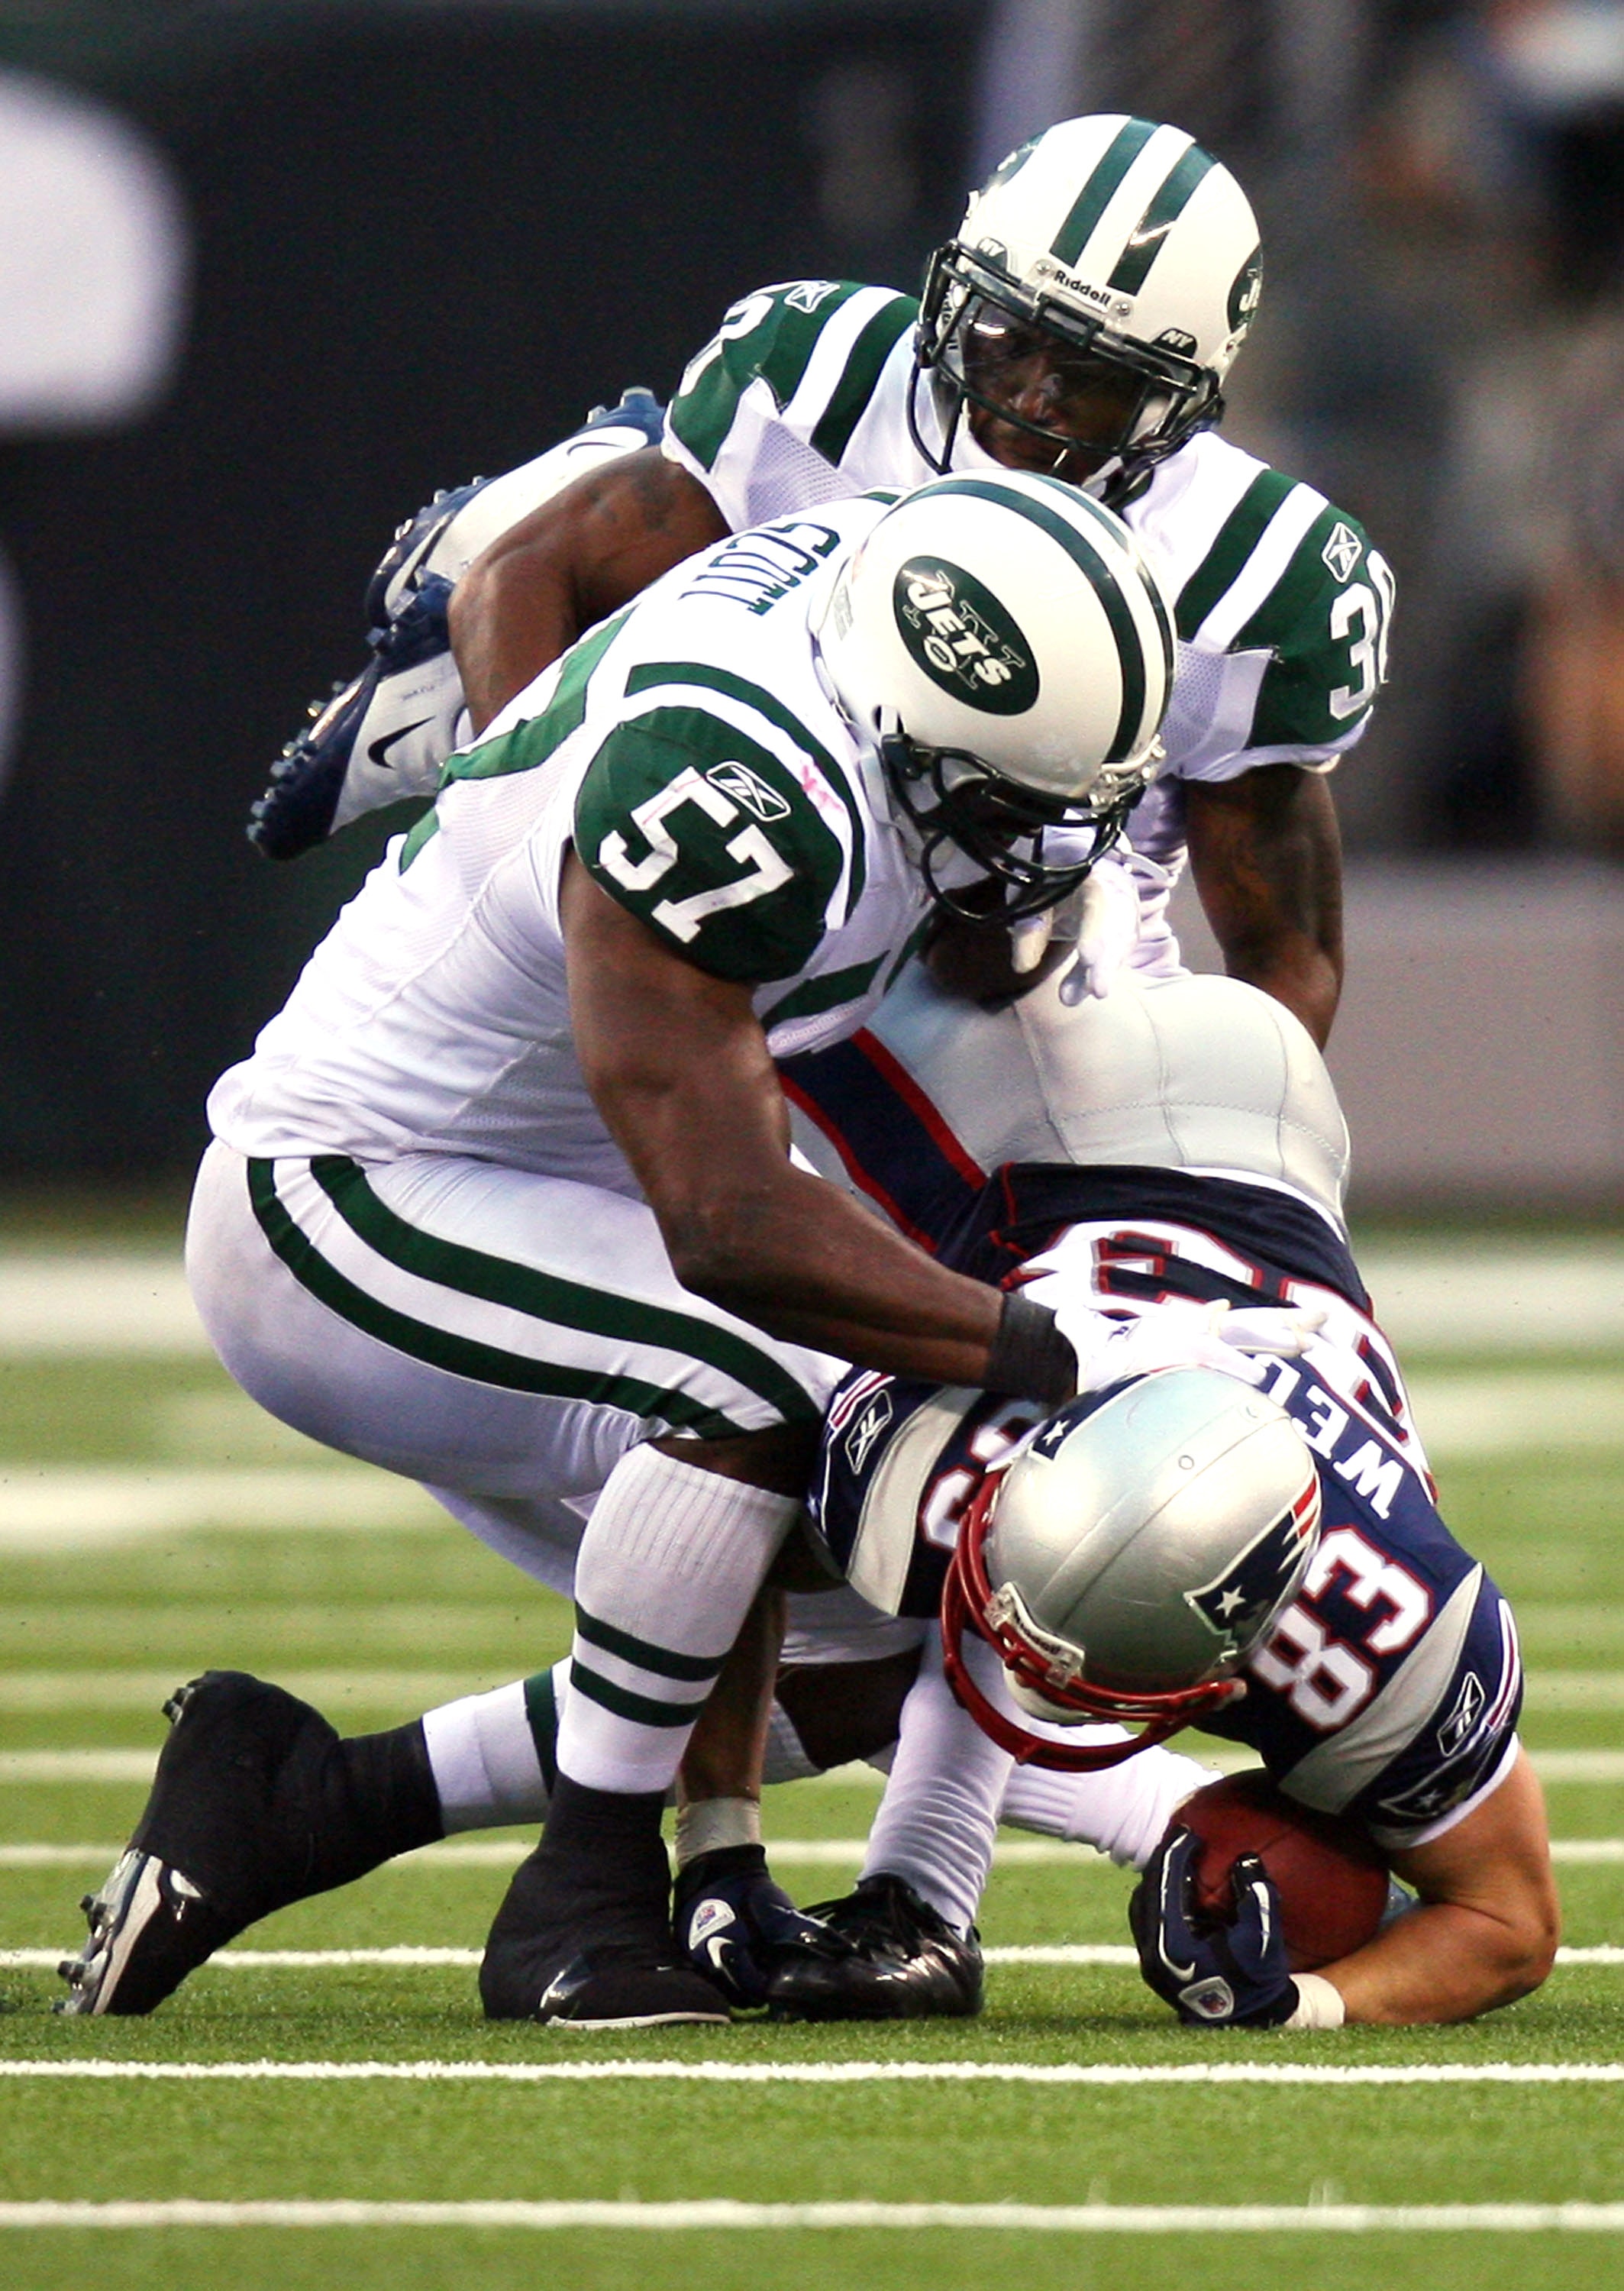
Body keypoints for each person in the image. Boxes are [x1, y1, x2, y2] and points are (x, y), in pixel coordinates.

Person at [58, 467, 1174, 2031]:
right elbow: (731, 1233)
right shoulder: (733, 785)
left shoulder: (881, 580)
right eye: (1004, 809)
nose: (1042, 853)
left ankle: (308, 1802)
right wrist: (1054, 1361)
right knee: (771, 1375)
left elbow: (621, 510)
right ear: (901, 732)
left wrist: (507, 759)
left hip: (558, 1187)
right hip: (352, 1198)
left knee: (898, 1602)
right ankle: (576, 1901)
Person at [253, 114, 1394, 1050]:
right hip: (758, 876)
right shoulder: (832, 380)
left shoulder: (1260, 577)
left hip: (1026, 973)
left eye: (1090, 379)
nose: (1031, 398)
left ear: (1177, 406)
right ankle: (472, 679)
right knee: (581, 532)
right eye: (1008, 339)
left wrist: (1253, 1118)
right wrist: (549, 821)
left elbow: (1284, 954)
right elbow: (528, 574)